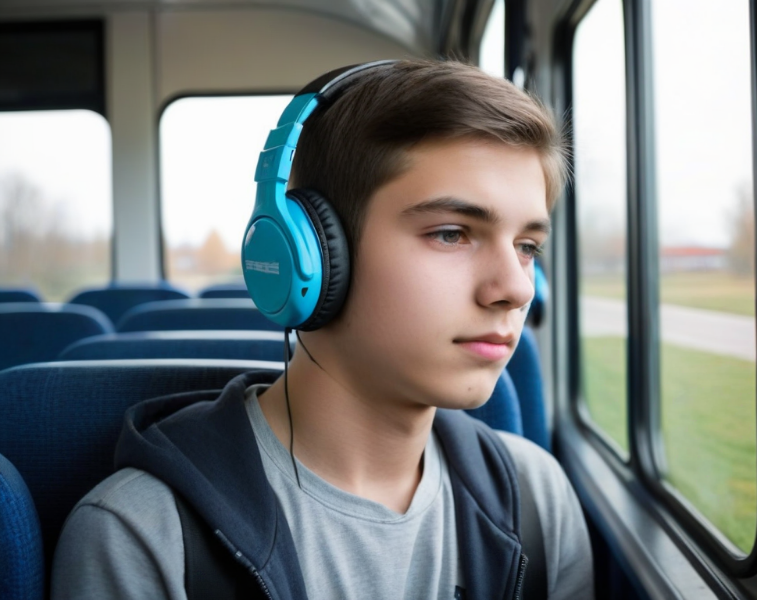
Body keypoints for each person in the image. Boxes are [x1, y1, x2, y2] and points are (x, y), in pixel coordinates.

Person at [51, 59, 593, 599]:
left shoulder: (535, 501)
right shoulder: (144, 537)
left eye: (527, 247)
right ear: (308, 255)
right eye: (452, 234)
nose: (517, 289)